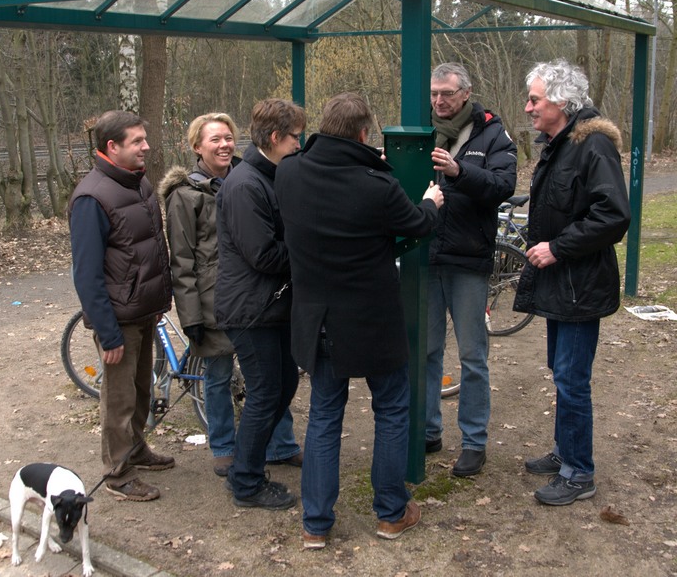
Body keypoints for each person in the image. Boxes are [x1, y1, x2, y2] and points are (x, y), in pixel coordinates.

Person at [274, 92, 444, 548]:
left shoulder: (288, 172)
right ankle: (391, 513)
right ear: (365, 133)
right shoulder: (377, 185)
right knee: (391, 409)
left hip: (318, 320)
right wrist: (432, 201)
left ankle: (315, 524)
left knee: (325, 415)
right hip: (371, 322)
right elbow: (417, 224)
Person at [158, 112, 302, 479]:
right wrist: (190, 316)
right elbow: (183, 260)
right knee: (218, 375)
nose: (224, 145)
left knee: (267, 376)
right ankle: (223, 446)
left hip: (256, 293)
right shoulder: (185, 195)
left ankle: (279, 443)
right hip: (212, 300)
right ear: (197, 148)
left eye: (228, 138)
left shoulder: (250, 178)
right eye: (214, 140)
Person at [514, 59, 630, 506]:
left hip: (580, 284)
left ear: (563, 102)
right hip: (561, 284)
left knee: (571, 379)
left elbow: (613, 215)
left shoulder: (593, 145)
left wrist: (558, 247)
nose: (528, 108)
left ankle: (579, 472)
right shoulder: (559, 144)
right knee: (562, 375)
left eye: (535, 99)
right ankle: (566, 451)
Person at [68, 110, 175, 502]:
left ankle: (137, 449)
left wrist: (158, 299)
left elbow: (148, 249)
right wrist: (107, 331)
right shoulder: (90, 198)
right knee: (119, 399)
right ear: (112, 147)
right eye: (137, 141)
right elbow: (87, 275)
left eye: (145, 138)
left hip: (144, 311)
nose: (146, 146)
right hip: (118, 320)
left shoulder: (139, 183)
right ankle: (117, 472)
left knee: (142, 388)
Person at [425, 63, 517, 477]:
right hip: (426, 259)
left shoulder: (492, 133)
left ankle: (474, 441)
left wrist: (460, 172)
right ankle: (428, 431)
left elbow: (503, 186)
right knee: (424, 352)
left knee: (472, 356)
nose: (439, 101)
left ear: (466, 93)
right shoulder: (420, 131)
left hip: (467, 261)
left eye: (446, 93)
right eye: (434, 94)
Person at [214, 98, 306, 510]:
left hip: (270, 307)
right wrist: (312, 252)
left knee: (283, 384)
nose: (298, 145)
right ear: (274, 138)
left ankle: (252, 464)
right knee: (267, 391)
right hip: (251, 310)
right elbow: (263, 254)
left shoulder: (269, 175)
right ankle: (246, 481)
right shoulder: (246, 184)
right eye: (294, 138)